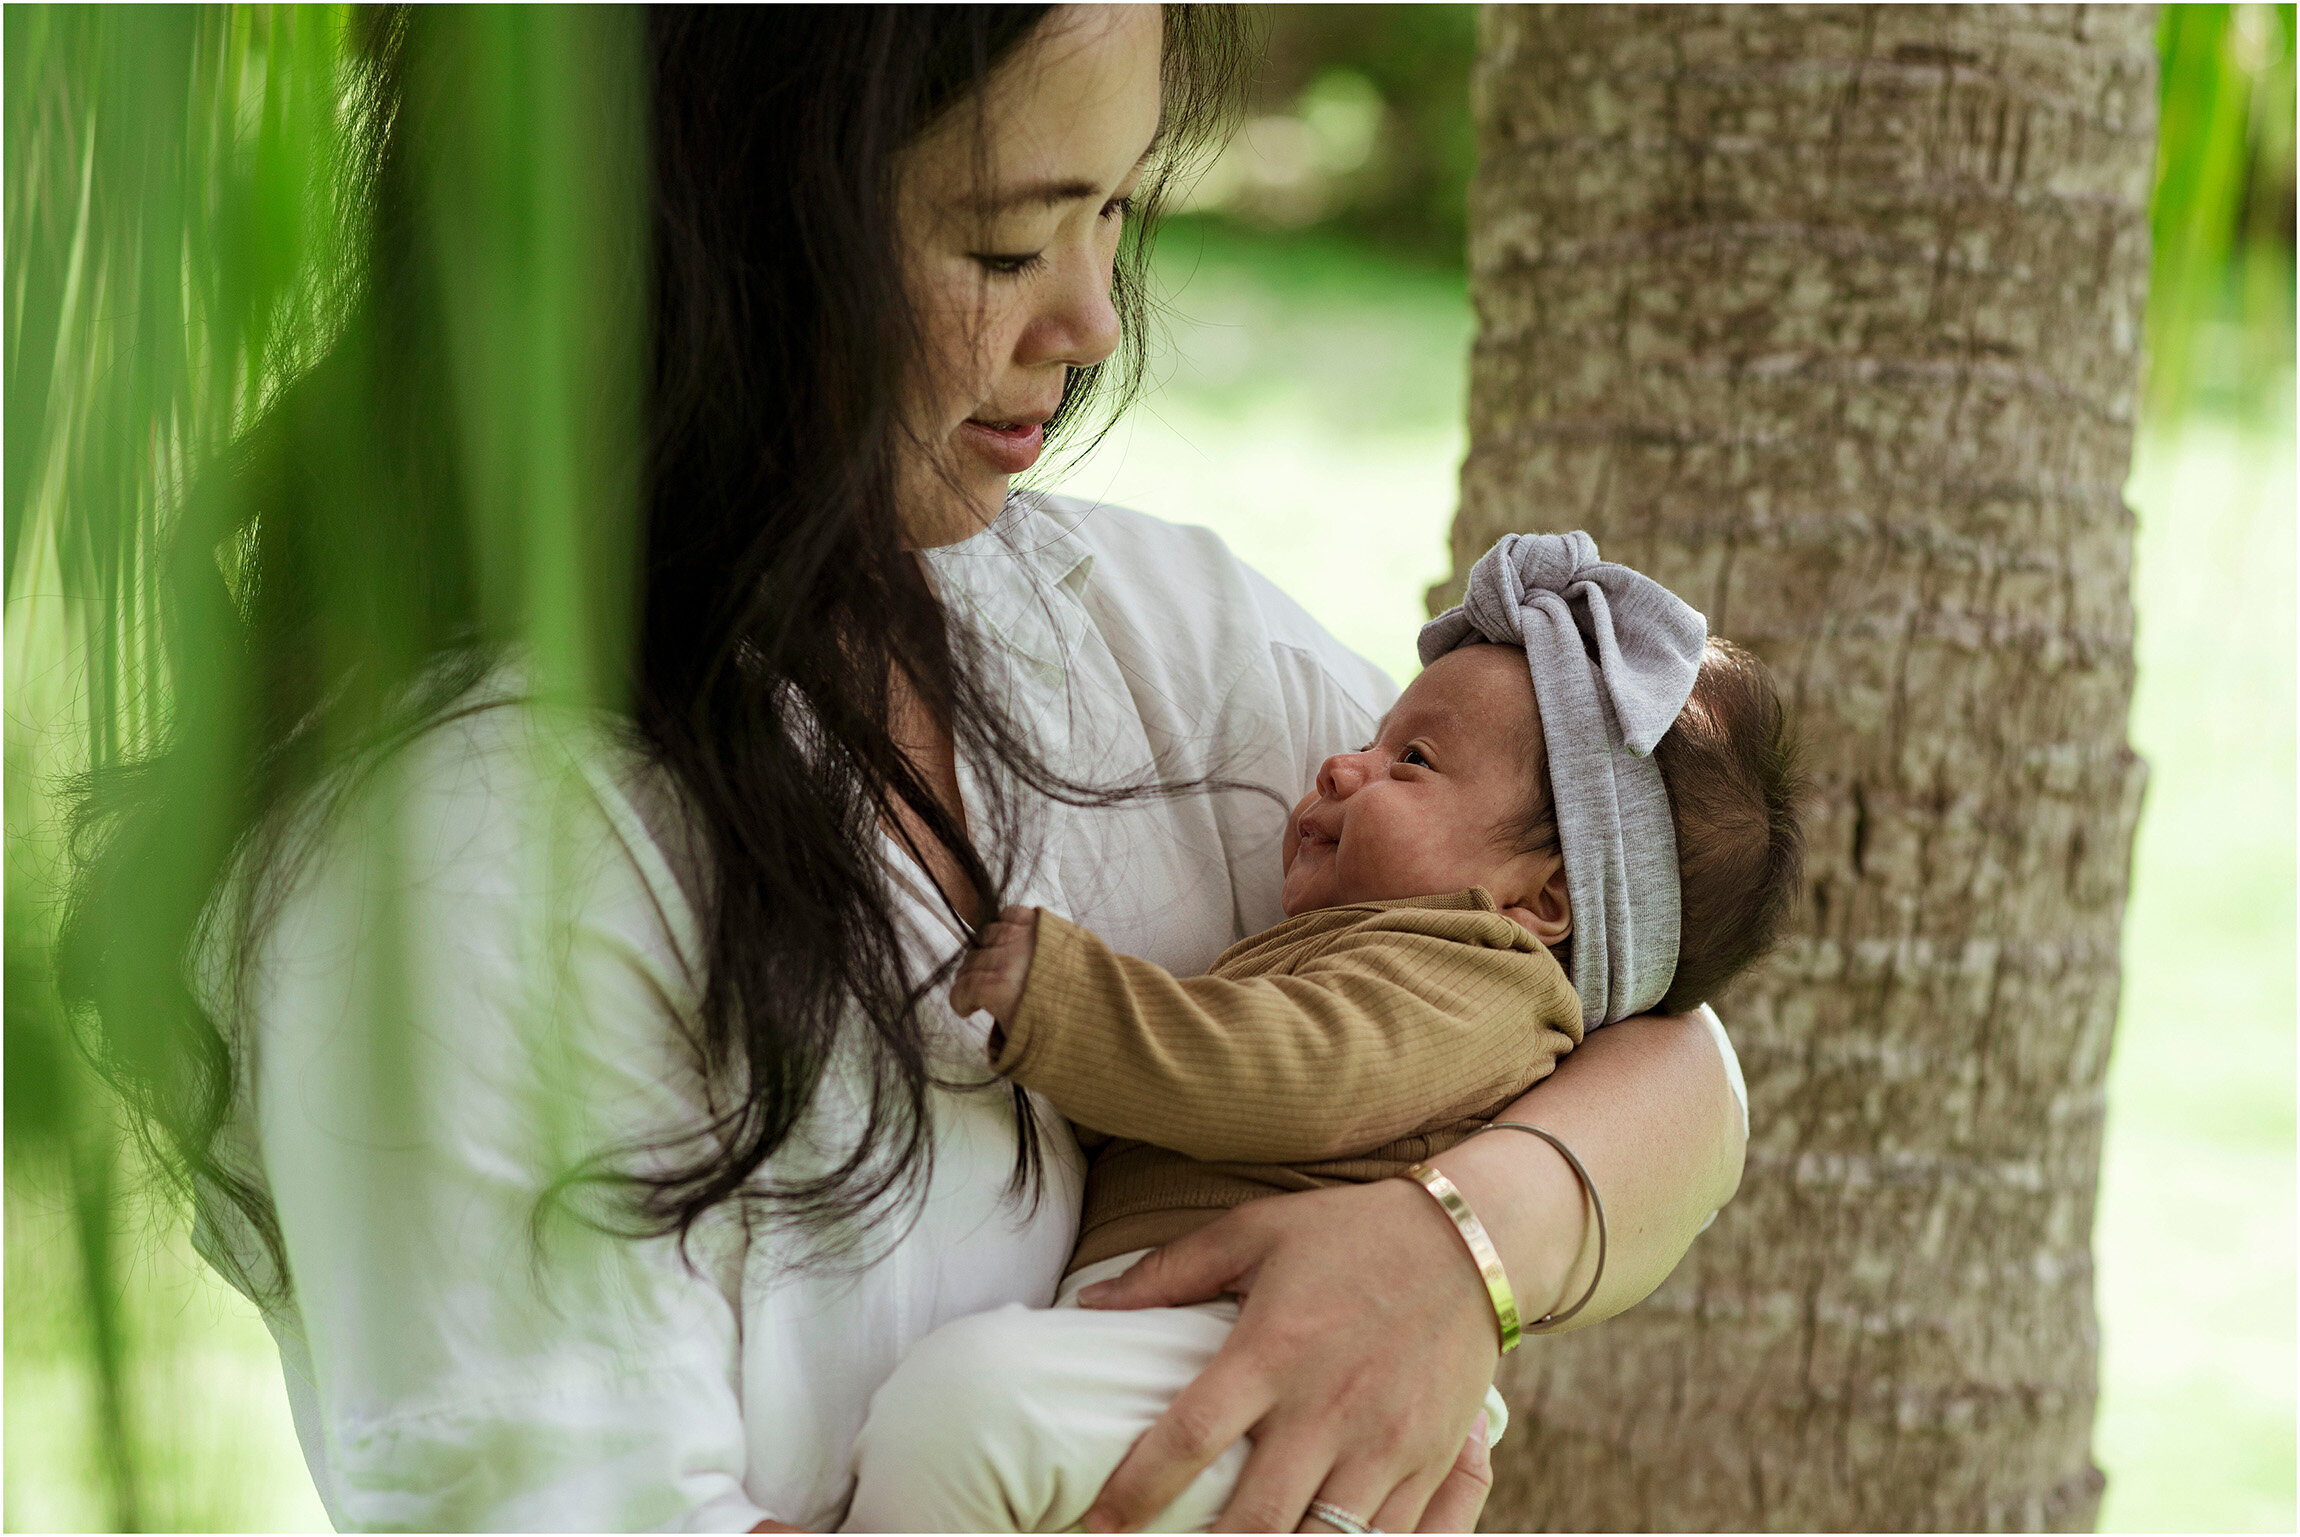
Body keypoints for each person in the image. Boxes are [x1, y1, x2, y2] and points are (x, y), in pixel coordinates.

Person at [58, 8, 1750, 1532]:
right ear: (700, 228)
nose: (1090, 318)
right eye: (1008, 239)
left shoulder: (1136, 630)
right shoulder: (469, 865)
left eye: (1116, 212)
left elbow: (1667, 1037)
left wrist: (1461, 1251)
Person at [844, 536, 1804, 1532]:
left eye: (1410, 761)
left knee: (967, 1412)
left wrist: (1068, 1002)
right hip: (1194, 1340)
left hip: (1283, 1357)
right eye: (1375, 737)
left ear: (1543, 898)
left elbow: (1289, 1072)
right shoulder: (1373, 946)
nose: (1342, 764)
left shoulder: (1473, 981)